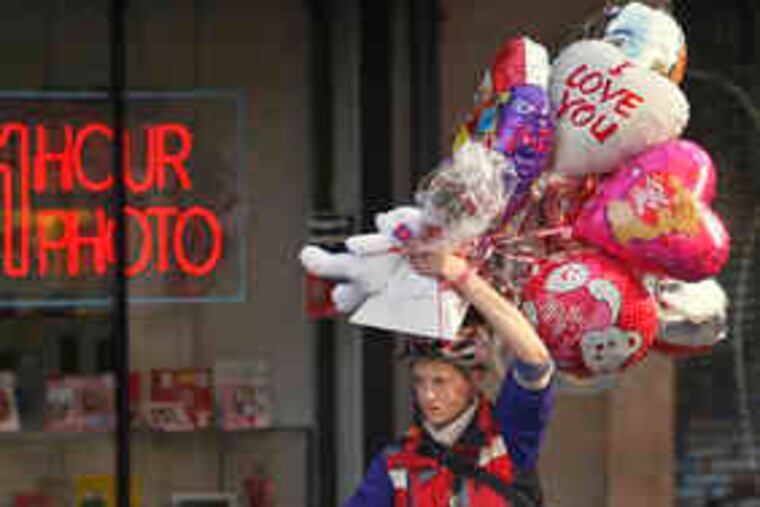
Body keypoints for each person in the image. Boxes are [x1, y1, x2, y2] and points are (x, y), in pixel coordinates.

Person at [345, 246, 555, 506]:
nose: (428, 395)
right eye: (419, 381)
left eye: (440, 381)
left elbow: (535, 359)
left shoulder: (507, 434)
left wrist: (462, 277)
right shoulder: (397, 463)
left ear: (474, 379)